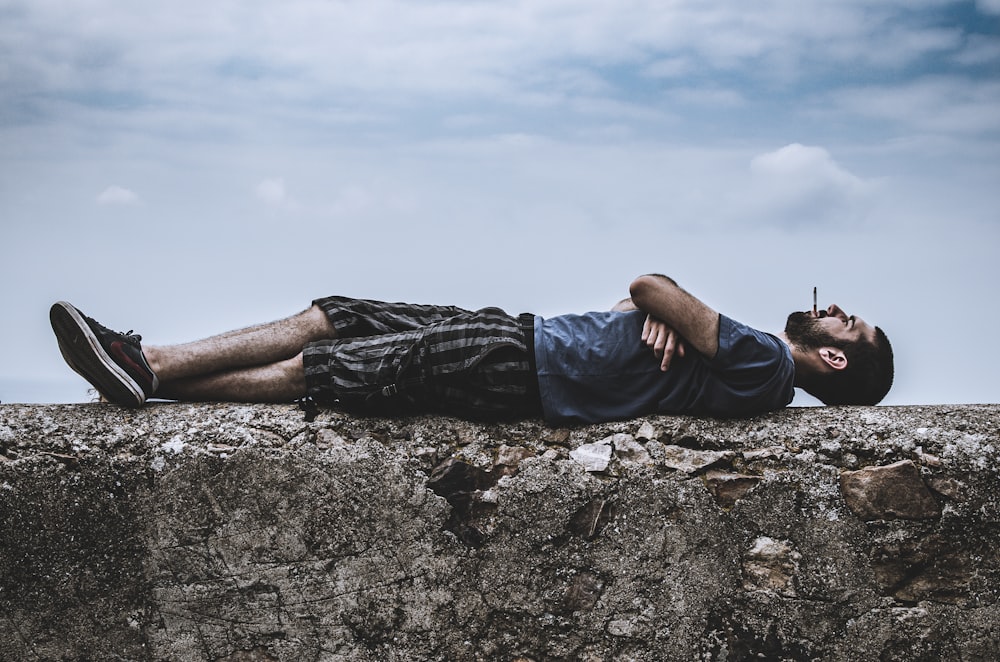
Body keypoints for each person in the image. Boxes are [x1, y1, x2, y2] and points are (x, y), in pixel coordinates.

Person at [49, 274, 893, 425]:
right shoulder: (755, 372)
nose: (838, 312)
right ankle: (145, 357)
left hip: (522, 364)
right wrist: (661, 313)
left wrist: (665, 304)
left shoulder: (765, 363)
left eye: (847, 324)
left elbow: (646, 282)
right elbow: (639, 307)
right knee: (338, 315)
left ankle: (150, 374)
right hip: (526, 343)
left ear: (836, 362)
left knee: (328, 369)